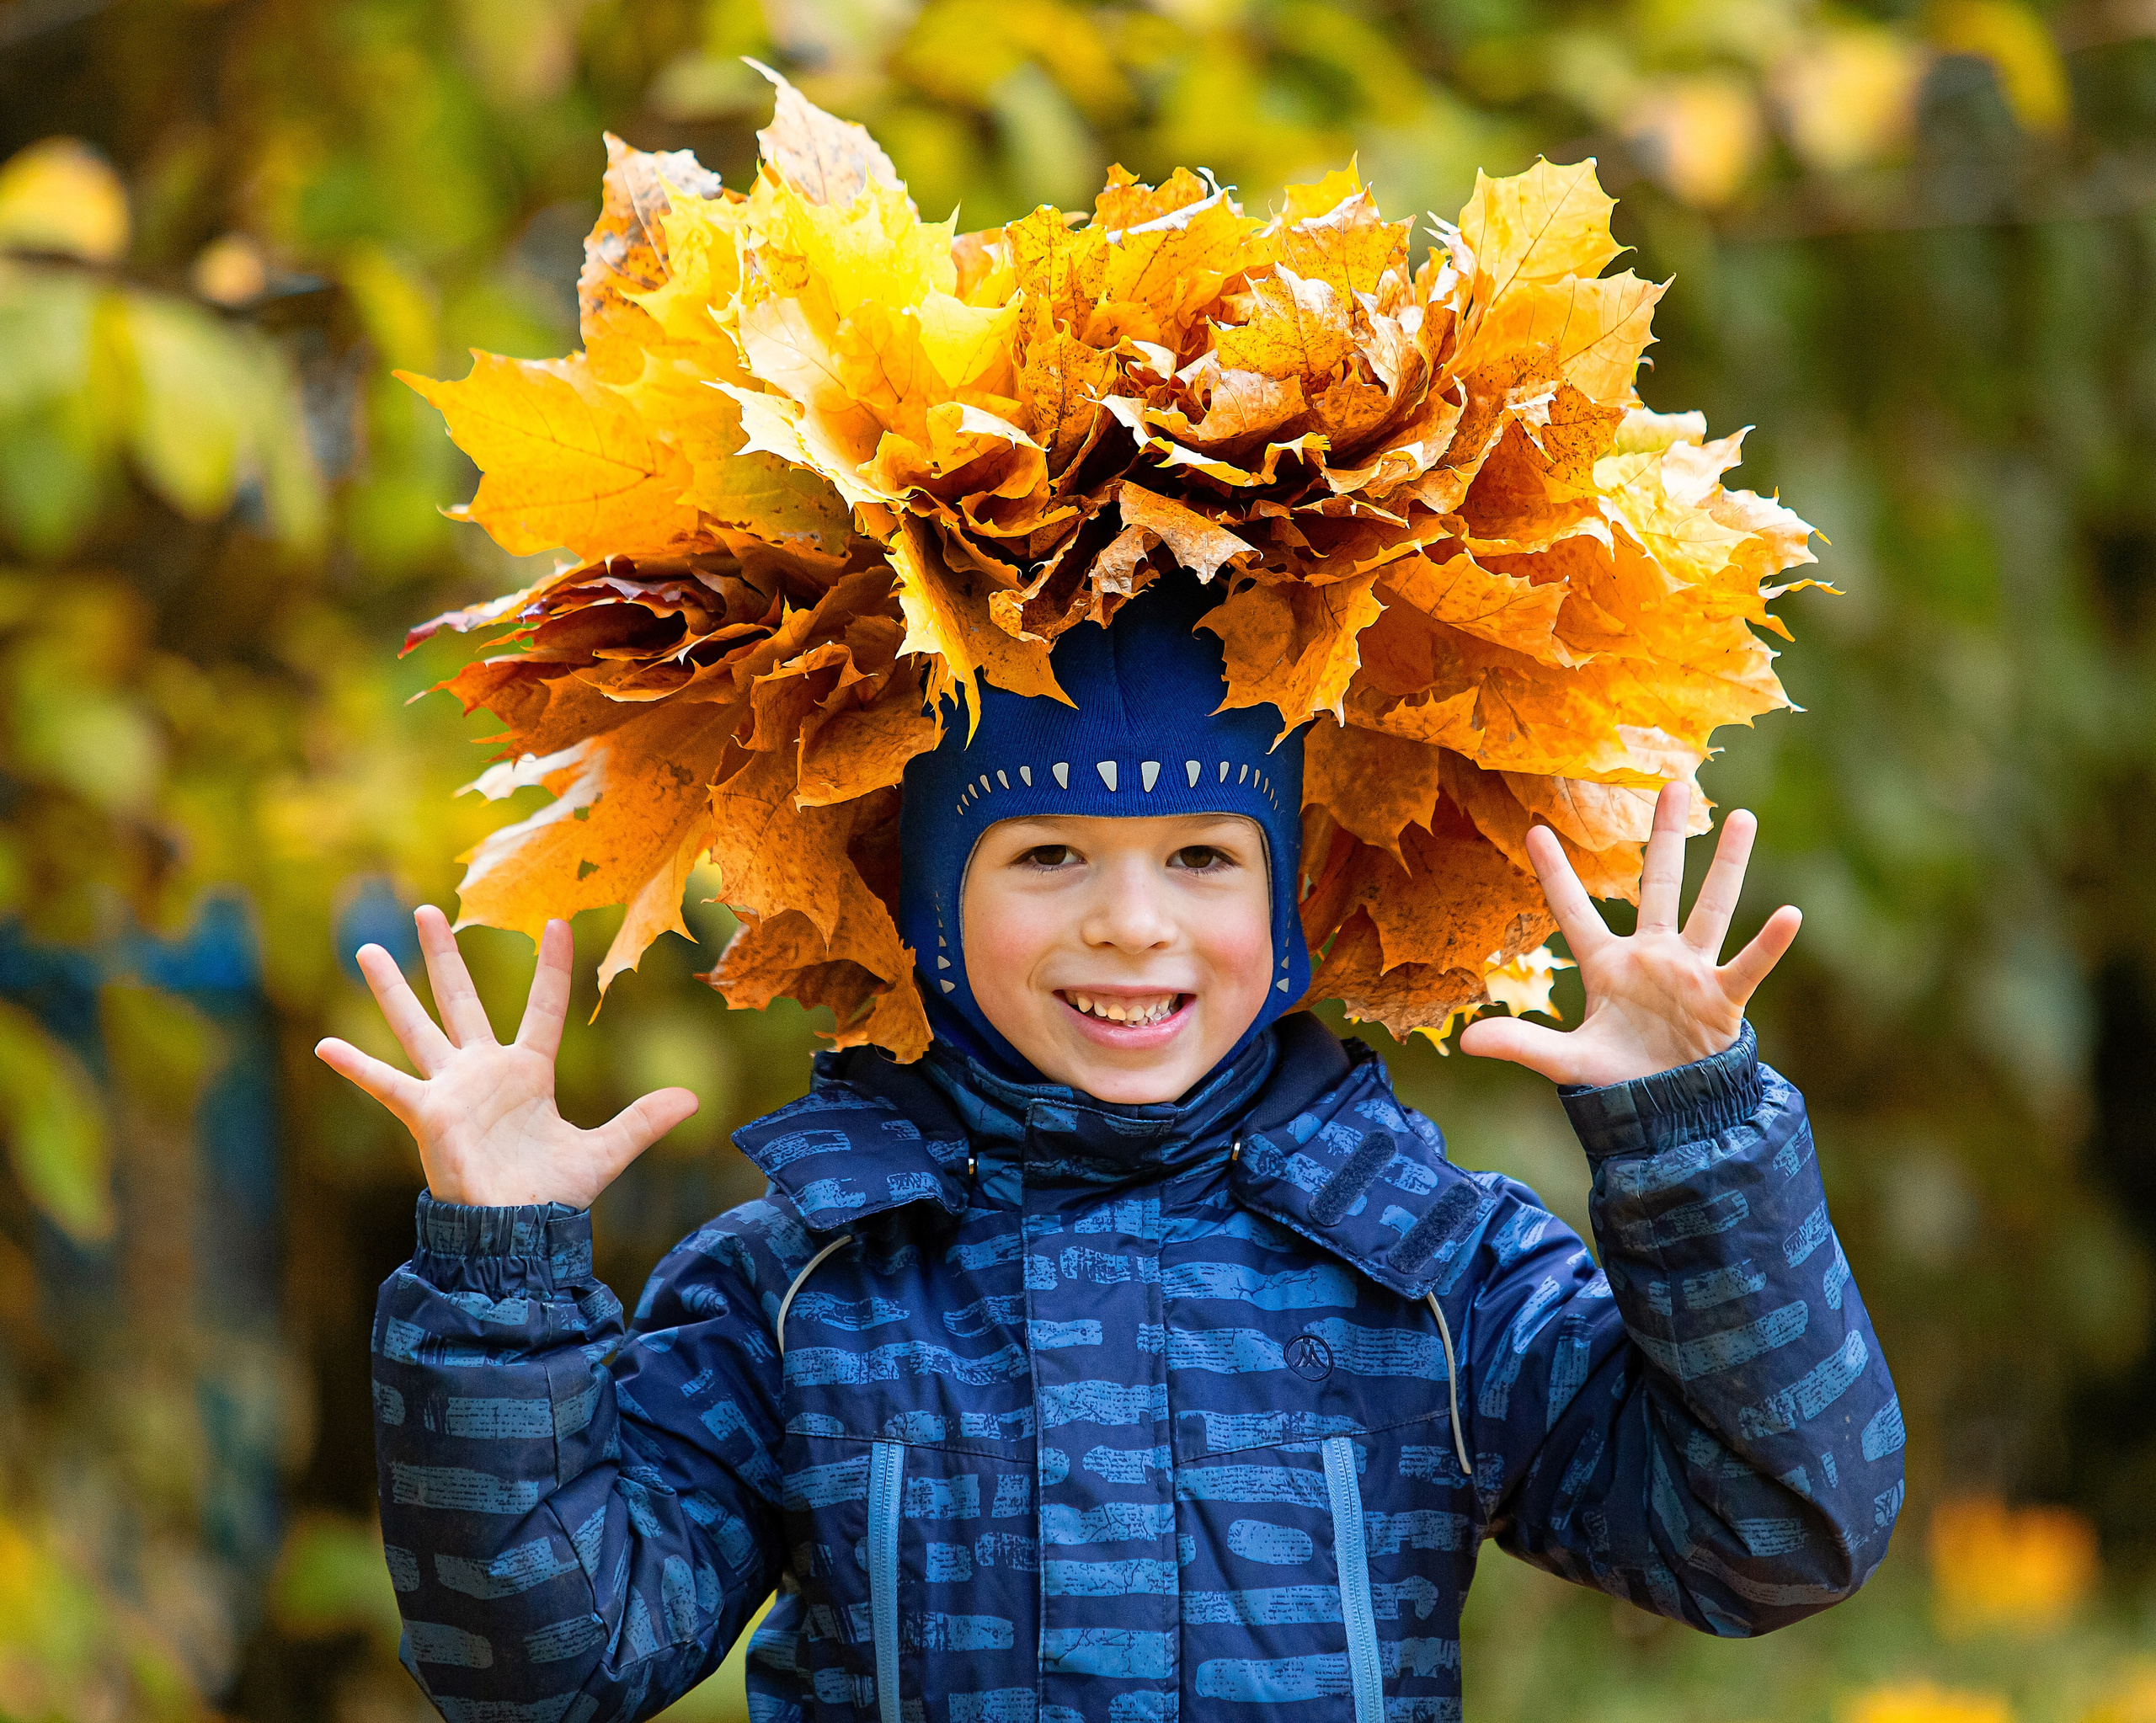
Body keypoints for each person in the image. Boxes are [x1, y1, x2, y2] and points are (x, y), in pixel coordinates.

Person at [323, 574, 1901, 1723]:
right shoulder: (802, 1291)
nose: (1131, 922)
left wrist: (1693, 1140)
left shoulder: (1428, 1271)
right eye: (1051, 851)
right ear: (936, 910)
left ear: (1285, 913)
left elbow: (1774, 1531)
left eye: (1204, 857)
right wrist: (499, 1282)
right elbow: (541, 1666)